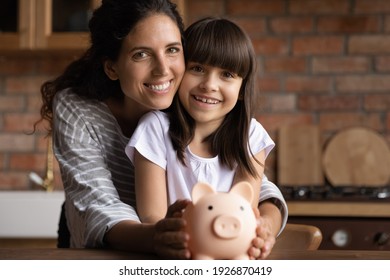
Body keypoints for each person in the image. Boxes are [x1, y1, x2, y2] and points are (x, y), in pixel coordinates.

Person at [35, 0, 287, 259]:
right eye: (141, 54)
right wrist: (160, 234)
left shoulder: (190, 102)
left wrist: (263, 223)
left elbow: (242, 180)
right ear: (112, 67)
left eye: (172, 50)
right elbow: (98, 205)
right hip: (106, 249)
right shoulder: (80, 110)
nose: (163, 70)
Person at [126, 17, 287, 259]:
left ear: (242, 89)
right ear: (180, 71)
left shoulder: (251, 136)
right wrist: (171, 231)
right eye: (198, 68)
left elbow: (245, 211)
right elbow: (152, 218)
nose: (209, 85)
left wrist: (262, 228)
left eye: (227, 74)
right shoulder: (154, 130)